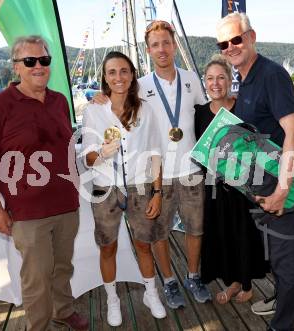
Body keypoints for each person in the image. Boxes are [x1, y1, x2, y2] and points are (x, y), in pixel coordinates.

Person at [92, 20, 211, 309]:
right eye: (155, 44)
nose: (161, 49)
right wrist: (101, 95)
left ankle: (193, 276)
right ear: (148, 50)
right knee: (158, 233)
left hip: (192, 169)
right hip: (156, 176)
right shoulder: (139, 85)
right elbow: (114, 100)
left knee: (196, 230)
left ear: (174, 46)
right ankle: (168, 281)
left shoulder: (192, 79)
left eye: (166, 43)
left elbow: (209, 110)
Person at [0, 35, 88, 331]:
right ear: (16, 67)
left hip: (66, 204)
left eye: (44, 60)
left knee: (63, 267)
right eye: (30, 61)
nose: (38, 66)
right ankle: (38, 327)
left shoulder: (60, 101)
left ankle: (63, 311)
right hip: (27, 211)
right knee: (37, 277)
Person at [216, 13, 294, 331]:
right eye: (223, 43)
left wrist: (283, 189)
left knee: (286, 264)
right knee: (275, 258)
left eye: (236, 39)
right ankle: (280, 301)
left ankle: (283, 325)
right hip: (262, 186)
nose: (230, 47)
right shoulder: (246, 77)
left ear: (251, 37)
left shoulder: (271, 75)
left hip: (283, 189)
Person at [81, 51, 166, 326]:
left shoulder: (146, 108)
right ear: (105, 77)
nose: (119, 77)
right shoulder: (94, 110)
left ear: (132, 75)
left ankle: (150, 293)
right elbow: (87, 158)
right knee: (108, 247)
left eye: (124, 71)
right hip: (105, 189)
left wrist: (157, 192)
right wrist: (103, 152)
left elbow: (155, 152)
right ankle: (112, 300)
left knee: (144, 244)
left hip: (141, 187)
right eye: (112, 72)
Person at [194, 55, 269, 304]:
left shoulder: (243, 108)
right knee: (222, 233)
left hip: (242, 186)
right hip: (214, 186)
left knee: (243, 233)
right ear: (205, 82)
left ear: (230, 80)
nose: (215, 83)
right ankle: (233, 281)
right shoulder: (199, 113)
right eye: (210, 78)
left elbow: (257, 143)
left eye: (221, 78)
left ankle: (246, 283)